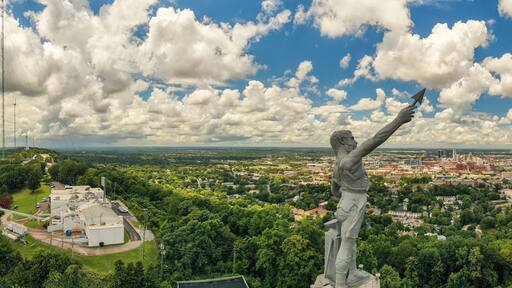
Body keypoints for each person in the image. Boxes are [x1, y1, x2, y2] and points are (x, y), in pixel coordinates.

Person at [330, 104, 417, 288]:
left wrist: (342, 198)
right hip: (354, 202)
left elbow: (334, 189)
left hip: (346, 202)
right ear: (343, 142)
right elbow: (376, 139)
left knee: (350, 241)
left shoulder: (337, 164)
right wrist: (398, 120)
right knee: (346, 243)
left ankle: (352, 273)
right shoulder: (349, 160)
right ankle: (340, 283)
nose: (355, 141)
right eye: (352, 138)